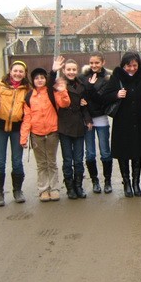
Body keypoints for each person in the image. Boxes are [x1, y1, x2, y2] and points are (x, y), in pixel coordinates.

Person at [100, 50, 141, 197]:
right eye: (128, 66)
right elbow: (104, 96)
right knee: (123, 152)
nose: (132, 68)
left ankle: (135, 183)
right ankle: (127, 183)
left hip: (140, 119)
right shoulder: (116, 76)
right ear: (123, 65)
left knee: (138, 152)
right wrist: (116, 94)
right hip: (123, 120)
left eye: (135, 65)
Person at [20, 65, 70, 202]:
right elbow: (27, 118)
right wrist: (24, 137)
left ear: (45, 79)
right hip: (36, 134)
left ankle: (54, 189)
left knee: (51, 162)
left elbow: (64, 104)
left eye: (42, 77)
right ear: (33, 80)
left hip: (52, 133)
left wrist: (63, 91)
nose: (40, 80)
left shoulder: (51, 92)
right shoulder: (29, 96)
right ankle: (43, 190)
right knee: (42, 164)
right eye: (36, 78)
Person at [0, 60, 31, 206]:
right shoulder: (1, 84)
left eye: (21, 71)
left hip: (17, 129)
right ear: (10, 71)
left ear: (25, 74)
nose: (17, 73)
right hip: (0, 127)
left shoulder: (27, 88)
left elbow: (30, 108)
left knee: (17, 162)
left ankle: (17, 191)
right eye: (15, 71)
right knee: (0, 162)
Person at [53, 58, 93, 200]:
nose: (71, 72)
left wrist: (88, 120)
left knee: (78, 159)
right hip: (64, 126)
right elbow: (49, 88)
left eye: (74, 69)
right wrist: (53, 71)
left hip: (78, 126)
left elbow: (84, 106)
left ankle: (78, 186)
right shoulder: (59, 84)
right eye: (68, 69)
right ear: (64, 71)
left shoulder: (81, 85)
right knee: (67, 159)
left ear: (77, 70)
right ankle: (70, 188)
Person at [80, 52, 113, 194]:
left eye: (97, 63)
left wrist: (90, 88)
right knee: (90, 153)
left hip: (101, 117)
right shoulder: (82, 77)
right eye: (91, 63)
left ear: (103, 62)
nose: (94, 65)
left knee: (105, 152)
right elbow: (81, 97)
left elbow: (101, 99)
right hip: (87, 118)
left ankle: (107, 181)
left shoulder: (107, 78)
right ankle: (95, 181)